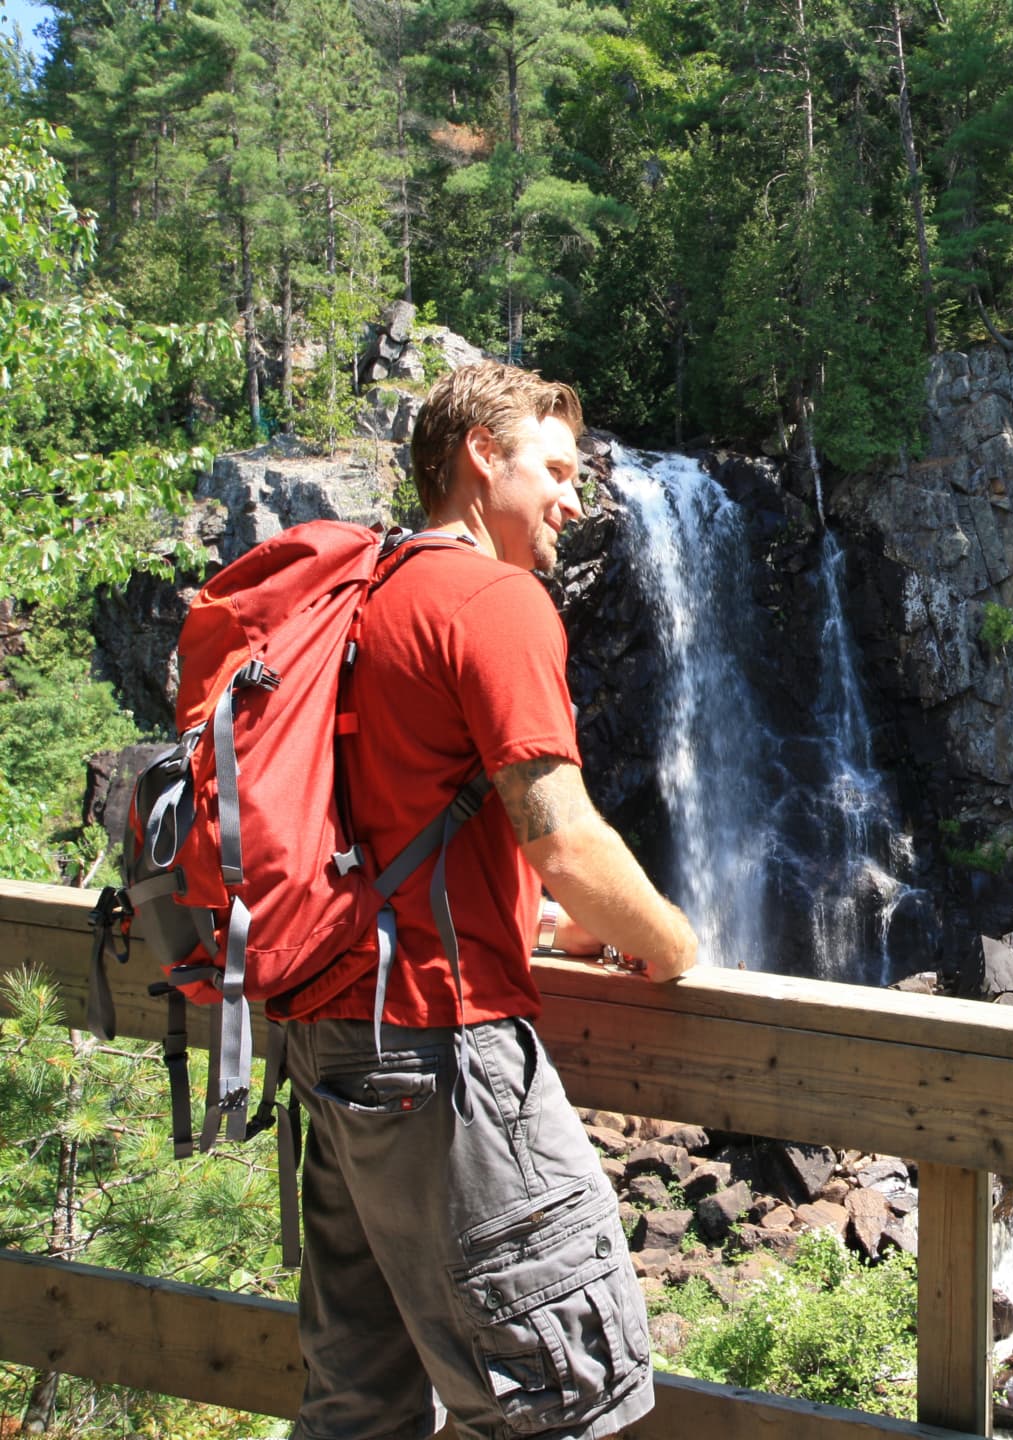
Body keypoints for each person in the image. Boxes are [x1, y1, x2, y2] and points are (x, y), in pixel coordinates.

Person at [282, 361, 699, 1440]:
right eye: (555, 470)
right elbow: (561, 834)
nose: (575, 498)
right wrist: (670, 940)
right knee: (566, 1405)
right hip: (444, 1057)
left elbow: (392, 814)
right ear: (480, 456)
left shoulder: (371, 593)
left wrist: (517, 914)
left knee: (358, 1406)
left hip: (339, 1048)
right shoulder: (494, 598)